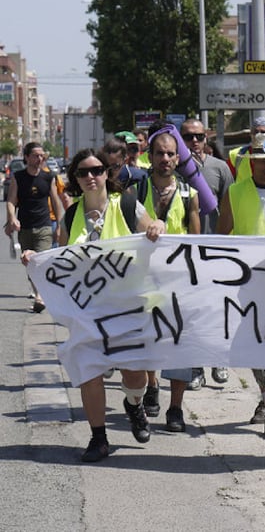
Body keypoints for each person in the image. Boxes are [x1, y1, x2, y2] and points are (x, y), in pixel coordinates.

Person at [23, 148, 165, 462]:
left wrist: (157, 227)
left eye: (97, 170)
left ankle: (134, 404)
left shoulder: (126, 204)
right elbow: (60, 260)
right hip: (87, 311)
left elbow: (155, 226)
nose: (91, 177)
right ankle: (98, 437)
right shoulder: (71, 216)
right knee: (89, 371)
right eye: (83, 172)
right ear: (74, 178)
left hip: (127, 308)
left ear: (106, 173)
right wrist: (36, 260)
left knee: (135, 376)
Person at [217, 131, 265, 436]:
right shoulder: (235, 193)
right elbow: (221, 238)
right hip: (244, 282)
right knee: (251, 343)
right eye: (262, 160)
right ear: (251, 162)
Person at [143, 127, 201, 433]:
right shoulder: (136, 191)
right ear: (150, 157)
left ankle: (175, 408)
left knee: (181, 342)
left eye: (170, 153)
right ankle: (151, 385)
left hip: (178, 279)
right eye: (159, 153)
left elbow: (196, 239)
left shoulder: (189, 193)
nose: (164, 158)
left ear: (177, 158)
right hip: (145, 278)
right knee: (149, 338)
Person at [181, 117, 234, 389]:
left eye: (199, 137)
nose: (194, 142)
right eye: (188, 137)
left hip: (216, 250)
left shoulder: (220, 168)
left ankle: (219, 358)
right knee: (192, 312)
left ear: (206, 139)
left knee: (217, 310)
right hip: (183, 255)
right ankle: (195, 366)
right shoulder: (174, 168)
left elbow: (231, 207)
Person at [4, 142, 62, 313]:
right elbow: (11, 201)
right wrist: (12, 218)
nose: (40, 158)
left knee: (40, 261)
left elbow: (56, 202)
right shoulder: (18, 177)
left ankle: (40, 297)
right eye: (36, 155)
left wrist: (59, 225)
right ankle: (38, 293)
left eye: (41, 155)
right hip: (25, 227)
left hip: (44, 225)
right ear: (27, 157)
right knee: (30, 263)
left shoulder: (48, 177)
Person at [227, 117, 265, 183]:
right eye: (255, 132)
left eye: (263, 132)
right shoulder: (236, 154)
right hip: (244, 192)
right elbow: (227, 182)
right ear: (250, 134)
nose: (258, 135)